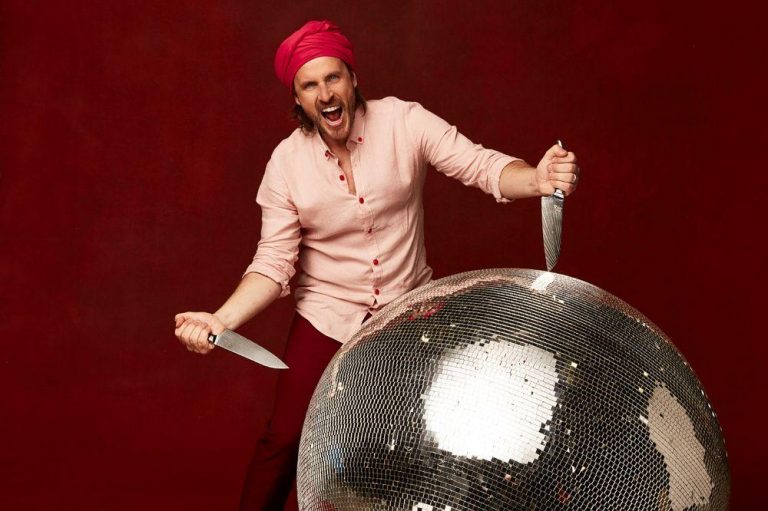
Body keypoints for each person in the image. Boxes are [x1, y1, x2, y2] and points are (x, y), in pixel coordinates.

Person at [174, 19, 580, 510]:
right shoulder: (285, 164)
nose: (325, 93)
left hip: (410, 313)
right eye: (310, 85)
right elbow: (273, 263)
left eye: (333, 77)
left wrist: (536, 179)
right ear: (298, 99)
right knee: (285, 438)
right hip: (326, 316)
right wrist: (220, 320)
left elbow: (481, 166)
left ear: (352, 79)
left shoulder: (405, 121)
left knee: (428, 436)